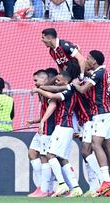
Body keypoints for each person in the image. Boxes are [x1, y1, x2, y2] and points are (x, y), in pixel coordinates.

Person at [72, 50, 110, 197]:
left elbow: (82, 89)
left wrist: (75, 84)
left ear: (93, 61)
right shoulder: (103, 72)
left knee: (95, 144)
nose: (86, 60)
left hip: (101, 113)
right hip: (108, 112)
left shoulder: (98, 73)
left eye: (88, 58)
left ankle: (105, 180)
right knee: (108, 145)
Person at [33, 71, 83, 197]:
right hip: (66, 126)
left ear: (65, 81)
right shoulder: (69, 88)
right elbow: (53, 89)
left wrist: (39, 90)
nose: (56, 81)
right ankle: (76, 188)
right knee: (61, 158)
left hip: (64, 125)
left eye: (58, 80)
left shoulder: (68, 91)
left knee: (50, 154)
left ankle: (62, 184)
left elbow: (52, 95)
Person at [25, 69, 56, 197]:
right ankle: (41, 186)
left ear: (45, 79)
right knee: (32, 153)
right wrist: (33, 121)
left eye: (36, 80)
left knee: (46, 158)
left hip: (49, 128)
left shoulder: (49, 91)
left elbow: (52, 107)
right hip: (43, 127)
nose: (34, 83)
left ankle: (46, 188)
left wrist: (42, 121)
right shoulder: (41, 92)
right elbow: (44, 111)